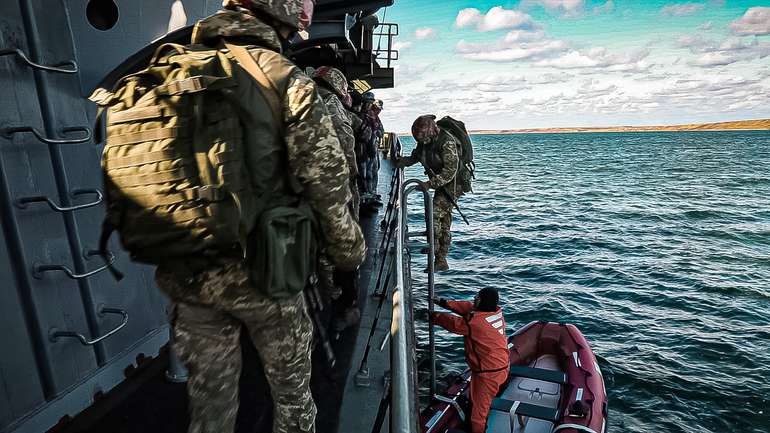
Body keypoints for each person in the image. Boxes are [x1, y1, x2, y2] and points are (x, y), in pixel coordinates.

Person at [154, 2, 366, 433]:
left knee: (209, 402)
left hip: (188, 269)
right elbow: (328, 185)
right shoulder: (286, 80)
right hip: (267, 272)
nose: (308, 8)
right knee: (292, 400)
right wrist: (349, 255)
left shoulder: (168, 71)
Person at [311, 66, 362, 332]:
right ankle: (340, 302)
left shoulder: (301, 95)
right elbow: (346, 143)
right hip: (332, 188)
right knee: (344, 245)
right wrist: (352, 181)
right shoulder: (331, 102)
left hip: (304, 188)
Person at [432, 288, 509, 433]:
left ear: (483, 301)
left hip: (487, 374)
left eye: (477, 297)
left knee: (477, 414)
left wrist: (433, 316)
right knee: (483, 400)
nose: (474, 298)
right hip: (502, 366)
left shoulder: (474, 323)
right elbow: (468, 307)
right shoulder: (495, 312)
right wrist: (443, 302)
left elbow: (454, 324)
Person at [396, 114, 463, 271]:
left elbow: (450, 171)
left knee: (435, 214)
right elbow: (417, 156)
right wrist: (402, 162)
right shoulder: (425, 142)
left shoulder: (447, 142)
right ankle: (437, 252)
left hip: (453, 185)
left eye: (424, 140)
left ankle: (438, 254)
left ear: (431, 132)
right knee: (443, 220)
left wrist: (429, 184)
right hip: (440, 183)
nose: (422, 143)